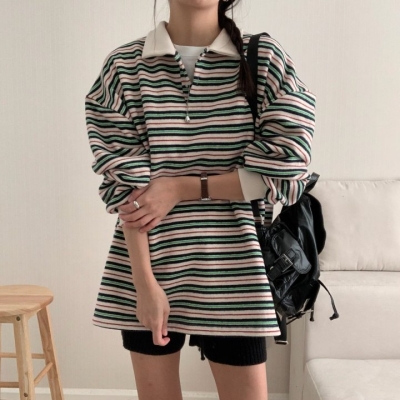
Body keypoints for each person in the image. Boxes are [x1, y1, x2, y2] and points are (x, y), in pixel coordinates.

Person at [84, 1, 315, 399]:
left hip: (236, 273)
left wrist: (181, 188)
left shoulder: (263, 59)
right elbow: (127, 191)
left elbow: (287, 169)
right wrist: (144, 284)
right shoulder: (124, 68)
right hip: (150, 266)